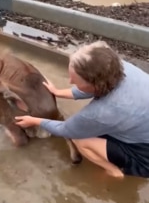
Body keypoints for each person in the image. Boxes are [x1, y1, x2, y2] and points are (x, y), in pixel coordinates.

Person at [15, 40, 149, 179]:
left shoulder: (101, 113)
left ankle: (114, 172)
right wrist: (58, 92)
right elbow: (93, 88)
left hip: (144, 156)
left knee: (79, 139)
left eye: (75, 80)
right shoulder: (118, 67)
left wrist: (35, 120)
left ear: (94, 84)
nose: (70, 82)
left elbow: (65, 129)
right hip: (140, 125)